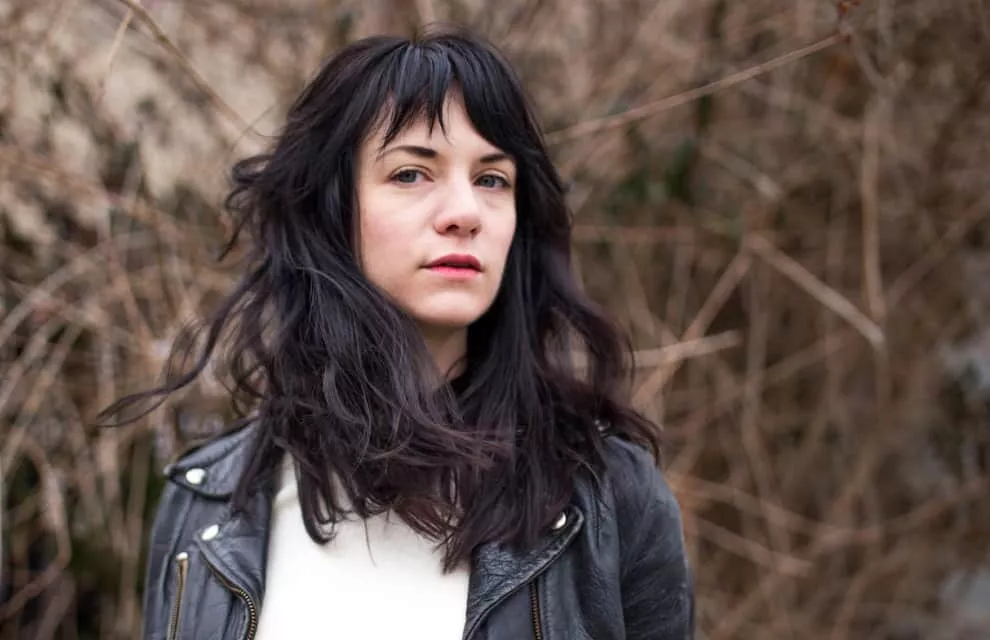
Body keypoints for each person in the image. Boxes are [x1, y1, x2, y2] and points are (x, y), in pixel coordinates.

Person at [107, 24, 694, 640]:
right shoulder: (206, 508)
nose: (464, 212)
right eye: (412, 174)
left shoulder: (607, 499)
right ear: (332, 210)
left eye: (492, 180)